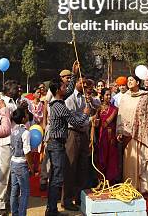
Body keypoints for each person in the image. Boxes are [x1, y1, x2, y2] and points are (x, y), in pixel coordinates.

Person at [46, 63, 89, 216]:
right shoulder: (60, 107)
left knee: (56, 177)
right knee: (57, 179)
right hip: (56, 144)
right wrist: (85, 113)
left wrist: (74, 73)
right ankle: (52, 210)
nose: (66, 88)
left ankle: (51, 208)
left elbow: (70, 89)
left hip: (56, 144)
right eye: (63, 87)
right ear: (58, 90)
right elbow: (76, 122)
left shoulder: (58, 101)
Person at [116, 74, 148, 196]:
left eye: (131, 80)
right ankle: (131, 187)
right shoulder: (124, 97)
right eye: (128, 80)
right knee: (131, 162)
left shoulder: (146, 97)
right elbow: (121, 115)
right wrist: (119, 131)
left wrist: (144, 129)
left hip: (143, 136)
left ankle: (145, 188)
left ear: (138, 82)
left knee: (144, 160)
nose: (129, 82)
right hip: (128, 136)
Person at [0, 79, 28, 214]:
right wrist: (18, 110)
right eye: (16, 89)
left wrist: (22, 108)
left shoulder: (15, 101)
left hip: (16, 140)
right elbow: (3, 120)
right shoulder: (0, 102)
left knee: (14, 172)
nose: (18, 91)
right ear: (8, 91)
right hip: (6, 140)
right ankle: (0, 202)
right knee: (3, 172)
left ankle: (11, 199)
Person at [62, 75, 95, 210]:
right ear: (76, 83)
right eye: (82, 83)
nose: (85, 85)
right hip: (73, 134)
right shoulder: (70, 100)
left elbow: (97, 106)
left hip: (84, 134)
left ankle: (79, 198)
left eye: (86, 84)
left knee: (82, 167)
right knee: (71, 167)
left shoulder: (85, 98)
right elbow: (73, 121)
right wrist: (86, 114)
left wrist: (91, 102)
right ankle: (67, 200)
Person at [10, 108, 34, 216]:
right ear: (24, 118)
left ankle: (14, 213)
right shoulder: (25, 133)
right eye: (25, 114)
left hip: (13, 162)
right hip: (21, 163)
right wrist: (31, 166)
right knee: (25, 192)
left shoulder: (13, 130)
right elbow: (27, 151)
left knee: (14, 191)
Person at [94, 88, 119, 185]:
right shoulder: (99, 109)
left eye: (110, 95)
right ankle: (101, 180)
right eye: (107, 95)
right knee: (101, 157)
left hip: (111, 137)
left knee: (111, 158)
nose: (109, 97)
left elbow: (115, 123)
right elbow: (98, 124)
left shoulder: (115, 109)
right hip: (101, 136)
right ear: (102, 96)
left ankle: (110, 181)